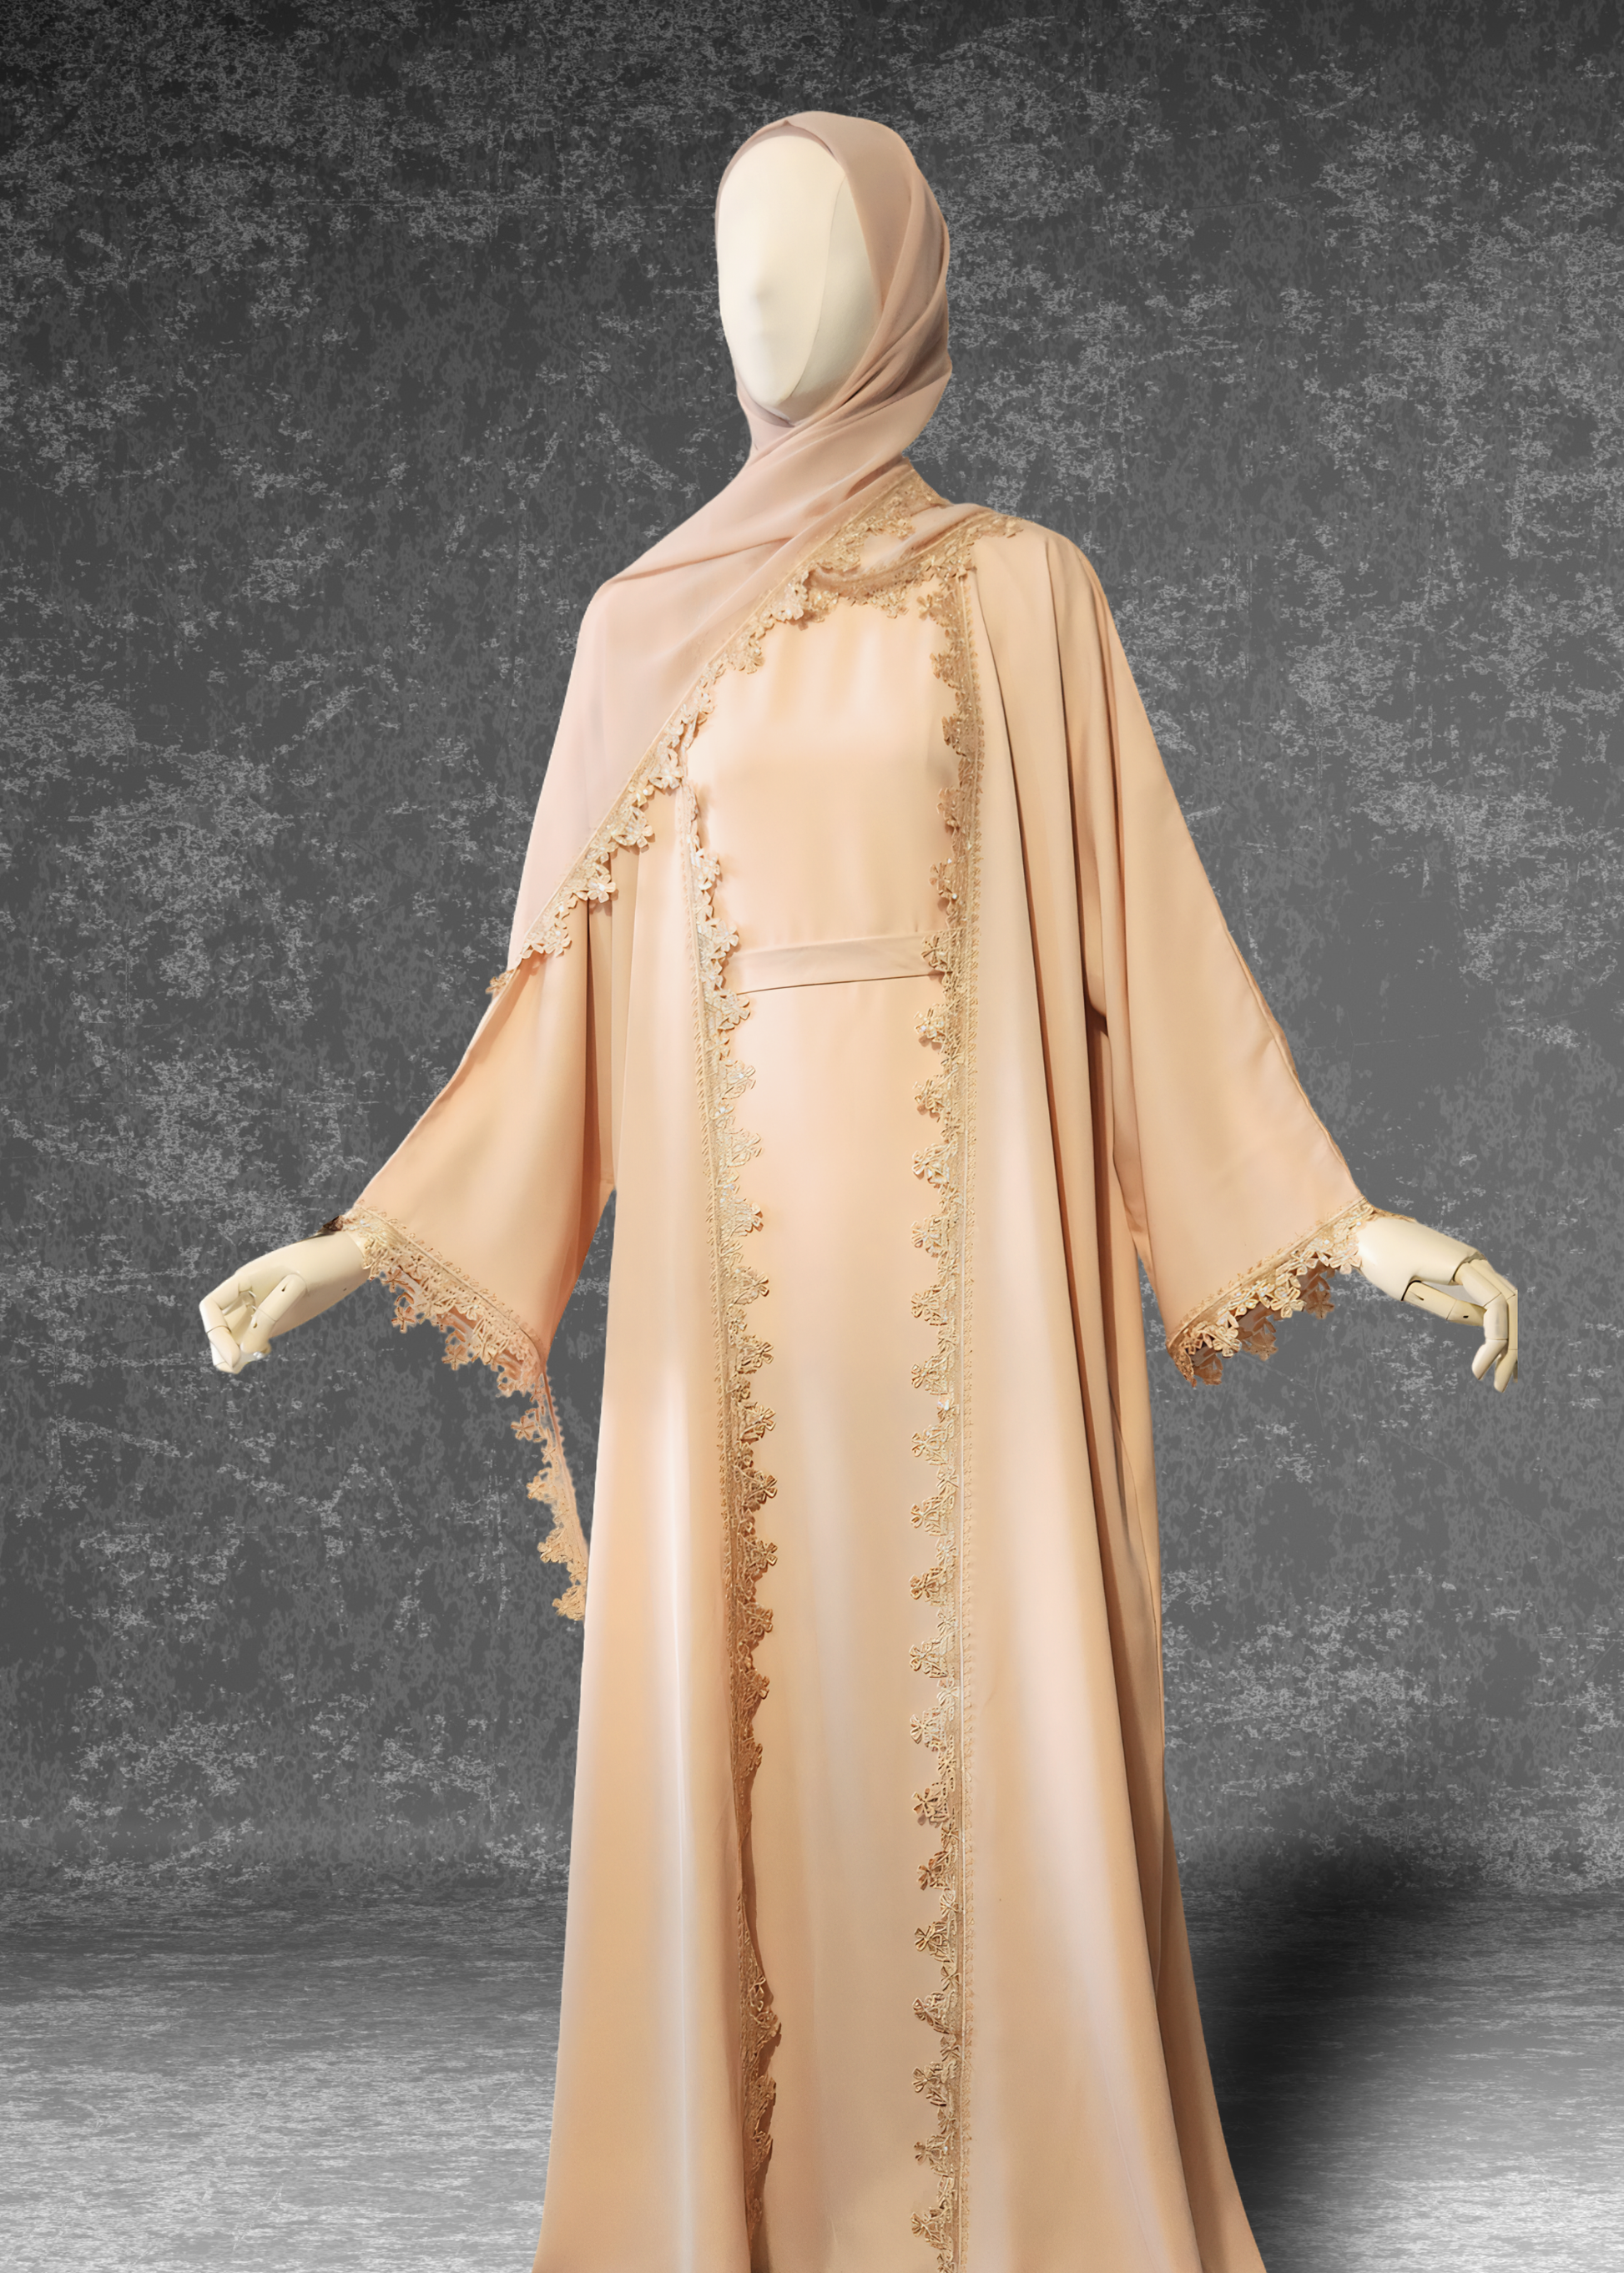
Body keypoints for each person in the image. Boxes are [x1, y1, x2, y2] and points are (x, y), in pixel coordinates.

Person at [200, 111, 1517, 2273]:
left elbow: (1149, 947)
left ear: (899, 291)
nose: (755, 302)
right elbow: (561, 1001)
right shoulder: (640, 630)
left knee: (988, 1721)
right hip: (724, 1312)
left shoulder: (1022, 594)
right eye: (731, 259)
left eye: (803, 256)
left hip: (974, 1294)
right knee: (748, 1747)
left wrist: (1337, 1216)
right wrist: (374, 1234)